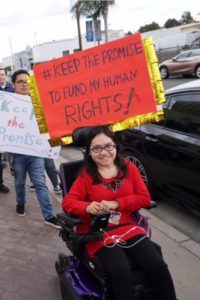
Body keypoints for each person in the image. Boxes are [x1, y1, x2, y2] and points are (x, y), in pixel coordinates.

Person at [62, 125, 177, 300]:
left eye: (108, 146)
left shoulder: (128, 167)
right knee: (121, 270)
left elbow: (144, 198)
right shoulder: (85, 176)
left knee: (157, 265)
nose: (104, 152)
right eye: (97, 148)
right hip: (99, 233)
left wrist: (116, 203)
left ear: (115, 146)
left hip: (127, 226)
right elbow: (68, 203)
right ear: (89, 152)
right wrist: (87, 207)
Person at [11, 69, 61, 229]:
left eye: (27, 81)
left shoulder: (39, 103)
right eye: (20, 82)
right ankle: (20, 202)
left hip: (36, 151)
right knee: (19, 182)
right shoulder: (6, 104)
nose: (24, 84)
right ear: (14, 85)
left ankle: (49, 215)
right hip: (17, 153)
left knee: (40, 183)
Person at [0, 68, 13, 193]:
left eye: (2, 74)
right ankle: (0, 183)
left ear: (6, 75)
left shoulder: (12, 88)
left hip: (12, 127)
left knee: (13, 156)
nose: (1, 77)